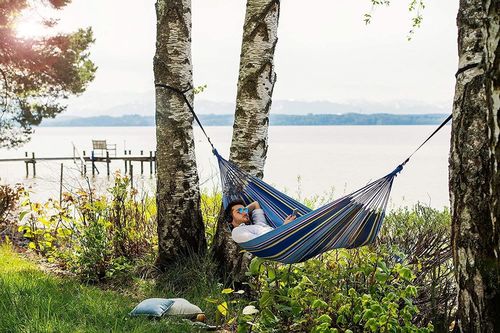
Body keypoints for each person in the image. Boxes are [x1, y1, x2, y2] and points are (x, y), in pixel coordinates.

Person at [225, 200, 296, 243]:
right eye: (239, 211)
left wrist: (243, 211)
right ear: (230, 218)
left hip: (287, 235)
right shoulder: (236, 232)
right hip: (282, 239)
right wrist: (284, 228)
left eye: (245, 210)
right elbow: (264, 241)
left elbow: (255, 204)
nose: (245, 212)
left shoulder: (258, 224)